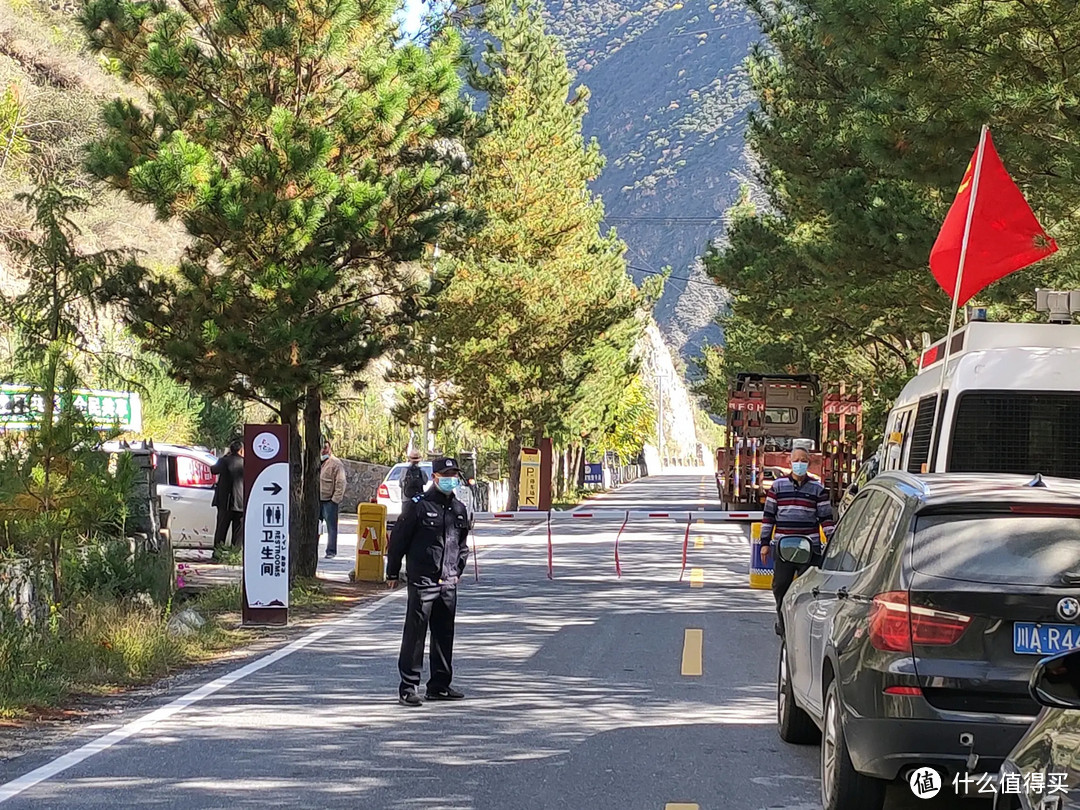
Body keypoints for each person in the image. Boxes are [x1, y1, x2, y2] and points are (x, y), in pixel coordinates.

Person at [386, 456, 470, 707]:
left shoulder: (458, 509)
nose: (450, 479)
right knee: (415, 634)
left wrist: (458, 569)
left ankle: (440, 685)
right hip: (423, 580)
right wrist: (392, 572)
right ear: (434, 478)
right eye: (445, 475)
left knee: (444, 634)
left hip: (448, 581)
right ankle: (408, 687)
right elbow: (398, 541)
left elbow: (462, 545)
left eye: (453, 475)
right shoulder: (417, 506)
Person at [759, 447, 835, 635]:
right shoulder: (778, 487)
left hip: (809, 547)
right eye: (796, 460)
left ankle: (805, 626)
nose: (799, 463)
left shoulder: (817, 488)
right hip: (784, 545)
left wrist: (832, 541)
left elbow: (825, 519)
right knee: (780, 586)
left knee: (808, 589)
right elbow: (769, 516)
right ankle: (783, 623)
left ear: (808, 463)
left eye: (803, 460)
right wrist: (765, 543)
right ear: (790, 462)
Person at [211, 440, 244, 549]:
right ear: (241, 450)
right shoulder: (246, 462)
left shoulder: (224, 461)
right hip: (240, 502)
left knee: (221, 528)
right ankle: (235, 552)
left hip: (225, 501)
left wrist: (225, 457)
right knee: (238, 530)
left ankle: (218, 552)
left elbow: (213, 470)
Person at [319, 440, 347, 559]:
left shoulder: (336, 463)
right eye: (321, 448)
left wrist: (335, 499)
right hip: (316, 500)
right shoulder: (316, 461)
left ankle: (331, 551)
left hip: (329, 500)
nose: (323, 450)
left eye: (325, 448)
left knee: (331, 527)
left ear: (329, 449)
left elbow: (341, 482)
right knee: (315, 526)